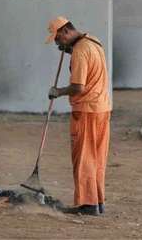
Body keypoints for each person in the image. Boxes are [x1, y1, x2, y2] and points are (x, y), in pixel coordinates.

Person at [45, 16, 112, 216]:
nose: (57, 43)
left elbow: (78, 87)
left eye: (58, 39)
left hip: (86, 111)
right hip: (101, 108)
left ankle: (87, 204)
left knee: (83, 157)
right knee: (97, 158)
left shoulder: (80, 51)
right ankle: (97, 201)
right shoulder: (93, 42)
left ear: (66, 32)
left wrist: (58, 92)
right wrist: (70, 51)